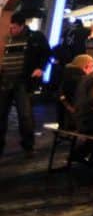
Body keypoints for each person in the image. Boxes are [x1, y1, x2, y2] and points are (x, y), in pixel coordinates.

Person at [1, 11, 51, 155]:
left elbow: (47, 53)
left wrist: (40, 68)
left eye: (14, 27)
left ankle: (28, 146)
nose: (12, 30)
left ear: (22, 26)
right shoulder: (6, 38)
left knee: (25, 116)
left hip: (23, 82)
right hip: (5, 81)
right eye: (10, 27)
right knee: (1, 115)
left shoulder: (35, 37)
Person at [58, 53, 93, 129]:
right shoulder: (81, 79)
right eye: (92, 66)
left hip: (64, 118)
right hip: (75, 120)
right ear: (86, 67)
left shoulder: (67, 75)